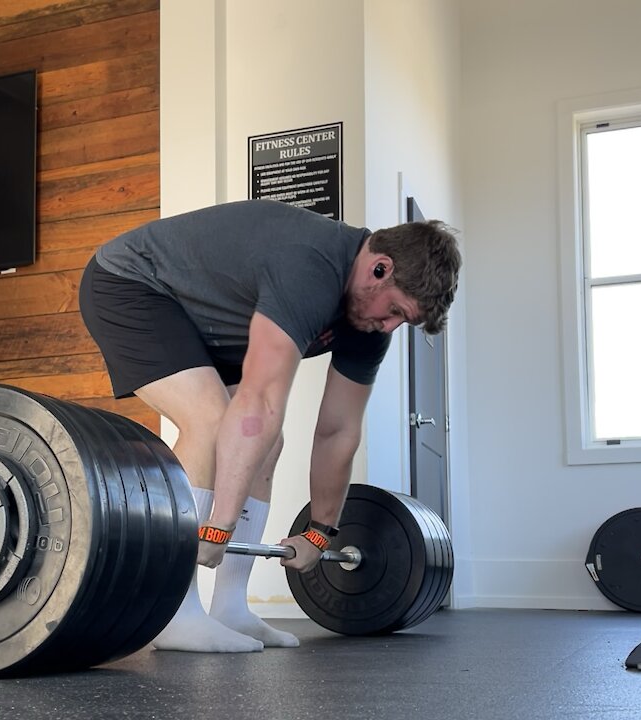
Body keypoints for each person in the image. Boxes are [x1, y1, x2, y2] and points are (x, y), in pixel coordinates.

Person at [78, 198, 461, 653]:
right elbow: (258, 401)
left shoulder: (368, 324)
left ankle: (231, 607)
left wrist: (321, 531)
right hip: (132, 283)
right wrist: (217, 526)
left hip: (203, 322)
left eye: (403, 321)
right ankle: (173, 613)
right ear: (380, 268)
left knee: (269, 443)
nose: (389, 327)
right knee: (211, 420)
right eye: (395, 311)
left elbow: (338, 429)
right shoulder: (310, 265)